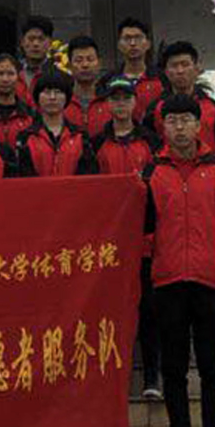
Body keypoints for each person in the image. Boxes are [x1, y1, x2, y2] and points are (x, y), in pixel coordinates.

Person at [143, 94, 215, 427]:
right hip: (167, 281)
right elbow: (141, 226)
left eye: (185, 120)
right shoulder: (151, 173)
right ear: (163, 128)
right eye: (172, 121)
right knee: (173, 368)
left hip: (210, 281)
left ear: (198, 125)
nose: (179, 128)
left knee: (212, 367)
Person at [94, 76, 161, 402]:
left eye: (126, 98)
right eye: (115, 98)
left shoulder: (151, 141)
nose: (120, 104)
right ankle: (109, 377)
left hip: (145, 241)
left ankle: (152, 376)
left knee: (148, 310)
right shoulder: (96, 143)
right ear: (107, 104)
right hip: (109, 240)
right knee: (110, 310)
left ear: (135, 102)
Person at [142, 42, 215, 162]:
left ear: (197, 68)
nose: (180, 70)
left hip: (208, 172)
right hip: (167, 171)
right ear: (166, 71)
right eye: (174, 66)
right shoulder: (154, 109)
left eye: (185, 64)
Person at [15, 68, 96, 177]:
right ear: (37, 97)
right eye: (47, 92)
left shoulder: (80, 135)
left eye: (58, 92)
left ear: (67, 97)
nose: (52, 97)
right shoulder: (26, 136)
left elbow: (88, 175)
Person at [114, 17, 166, 124]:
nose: (133, 43)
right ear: (119, 45)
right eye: (127, 38)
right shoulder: (110, 80)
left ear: (148, 44)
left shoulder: (163, 79)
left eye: (138, 38)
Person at [63, 35, 112, 137]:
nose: (85, 65)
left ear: (99, 64)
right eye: (79, 60)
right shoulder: (61, 101)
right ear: (69, 65)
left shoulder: (111, 100)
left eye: (90, 59)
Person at [0, 52, 35, 147]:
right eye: (0, 74)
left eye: (10, 74)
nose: (5, 79)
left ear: (18, 77)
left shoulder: (30, 115)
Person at [16, 15, 55, 104]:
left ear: (50, 43)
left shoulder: (60, 76)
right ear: (22, 42)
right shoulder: (12, 73)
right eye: (31, 39)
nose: (35, 44)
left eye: (41, 39)